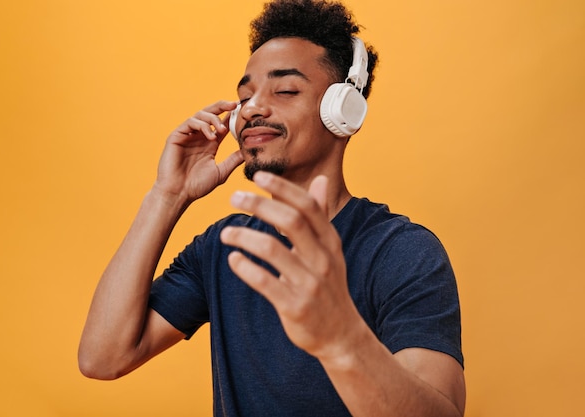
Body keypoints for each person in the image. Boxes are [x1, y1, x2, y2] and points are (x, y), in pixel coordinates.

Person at [78, 0, 466, 415]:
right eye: (245, 96)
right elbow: (103, 358)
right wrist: (166, 195)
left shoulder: (403, 253)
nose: (253, 108)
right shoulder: (226, 247)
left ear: (343, 111)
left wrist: (338, 337)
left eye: (284, 90)